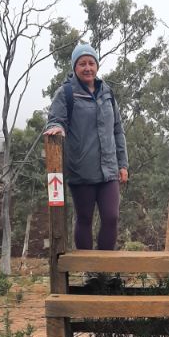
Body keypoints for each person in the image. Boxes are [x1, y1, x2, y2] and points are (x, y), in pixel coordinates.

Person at [44, 42, 128, 286]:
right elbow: (55, 120)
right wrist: (56, 128)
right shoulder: (67, 93)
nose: (87, 67)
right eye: (82, 63)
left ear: (97, 66)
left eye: (91, 63)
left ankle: (105, 267)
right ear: (74, 67)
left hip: (109, 169)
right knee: (85, 219)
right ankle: (88, 270)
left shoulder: (107, 92)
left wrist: (122, 164)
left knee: (111, 217)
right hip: (81, 168)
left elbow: (117, 130)